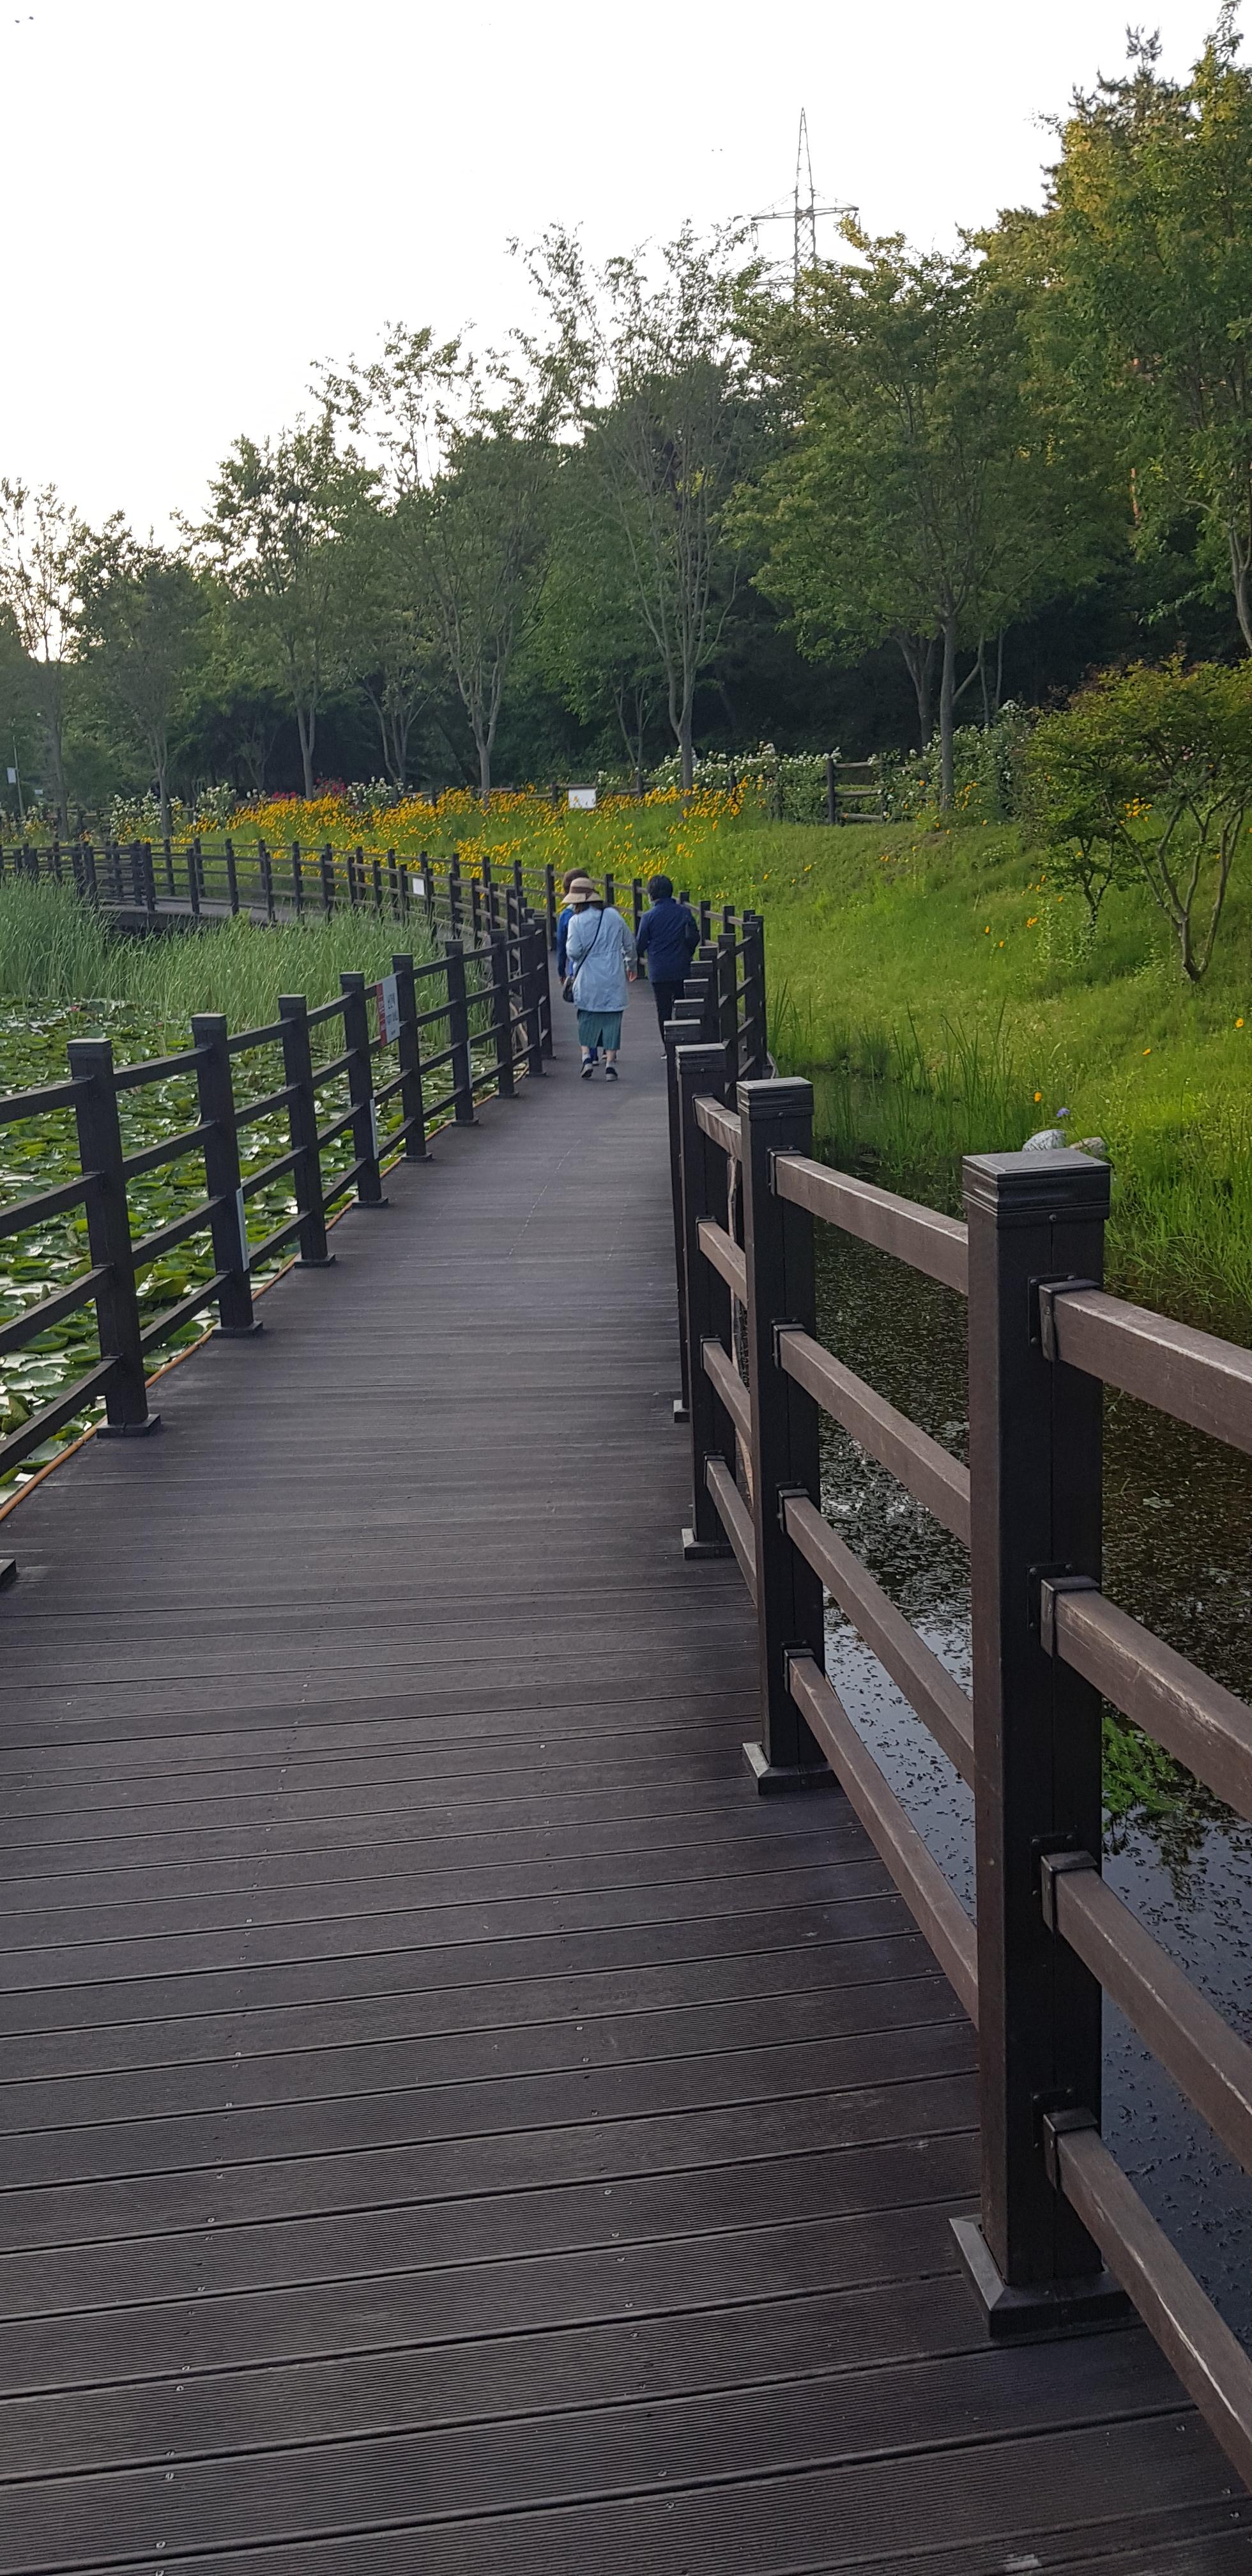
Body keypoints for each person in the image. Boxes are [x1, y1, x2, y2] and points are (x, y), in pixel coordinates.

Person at [565, 879, 636, 1080]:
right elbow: (629, 943)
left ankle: (587, 1058)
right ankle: (610, 1064)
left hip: (588, 977)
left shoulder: (575, 921)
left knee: (586, 1016)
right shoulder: (613, 915)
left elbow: (573, 952)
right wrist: (631, 965)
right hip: (613, 975)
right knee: (612, 1019)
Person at [634, 875, 699, 1041]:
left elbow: (640, 944)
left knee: (663, 1010)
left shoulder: (648, 917)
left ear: (651, 895)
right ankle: (684, 1041)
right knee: (682, 1005)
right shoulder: (684, 912)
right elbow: (694, 936)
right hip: (681, 967)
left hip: (659, 970)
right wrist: (687, 952)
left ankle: (668, 1047)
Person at [555, 866, 599, 1062]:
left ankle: (591, 1053)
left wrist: (561, 971)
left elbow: (561, 947)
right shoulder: (601, 913)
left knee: (585, 1011)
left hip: (577, 969)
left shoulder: (566, 916)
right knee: (601, 1007)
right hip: (600, 966)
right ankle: (604, 1046)